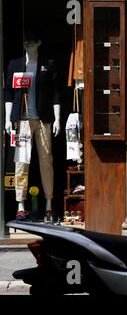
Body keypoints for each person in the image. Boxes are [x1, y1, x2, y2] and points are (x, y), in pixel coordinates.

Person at [4, 28, 61, 221]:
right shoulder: (15, 64)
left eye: (32, 42)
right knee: (21, 162)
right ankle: (20, 204)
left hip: (43, 119)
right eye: (26, 43)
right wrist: (7, 118)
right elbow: (9, 94)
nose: (28, 46)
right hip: (22, 121)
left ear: (39, 44)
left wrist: (57, 118)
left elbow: (55, 93)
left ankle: (49, 203)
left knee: (46, 161)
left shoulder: (48, 65)